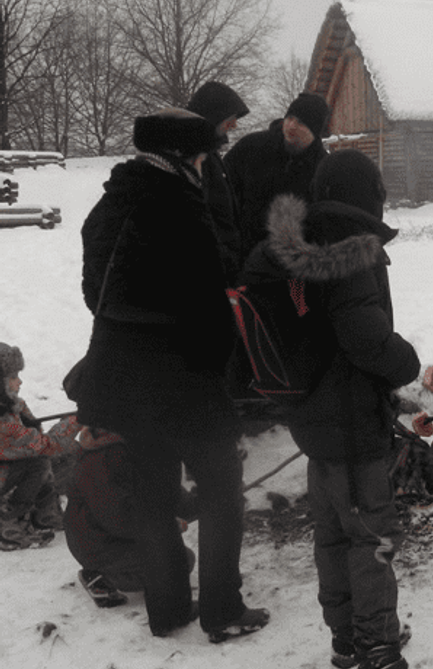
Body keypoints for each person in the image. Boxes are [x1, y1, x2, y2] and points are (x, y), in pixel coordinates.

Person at [239, 148, 433, 669]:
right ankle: (379, 661)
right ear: (368, 196)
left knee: (332, 530)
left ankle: (348, 637)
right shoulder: (352, 250)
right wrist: (405, 362)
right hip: (352, 419)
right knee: (372, 538)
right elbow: (365, 338)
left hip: (310, 414)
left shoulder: (295, 245)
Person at [70, 107, 268, 641]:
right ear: (184, 157)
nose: (207, 165)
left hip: (125, 377)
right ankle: (222, 610)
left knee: (154, 495)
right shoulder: (180, 206)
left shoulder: (110, 203)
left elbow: (96, 293)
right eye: (203, 156)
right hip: (185, 379)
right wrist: (217, 362)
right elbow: (210, 299)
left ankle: (167, 609)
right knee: (223, 491)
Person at [63, 426, 197, 608]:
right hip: (99, 543)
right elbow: (118, 518)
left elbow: (165, 491)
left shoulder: (131, 447)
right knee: (179, 562)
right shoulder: (103, 459)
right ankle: (101, 577)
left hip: (113, 534)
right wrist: (165, 525)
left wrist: (205, 501)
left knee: (177, 556)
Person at [223, 91, 329, 267]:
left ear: (315, 130)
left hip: (290, 268)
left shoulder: (323, 168)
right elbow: (221, 191)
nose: (291, 126)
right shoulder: (252, 147)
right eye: (290, 118)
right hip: (242, 257)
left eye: (301, 122)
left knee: (296, 296)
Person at [0, 342, 80, 550]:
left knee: (70, 453)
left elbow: (37, 441)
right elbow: (45, 445)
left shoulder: (12, 406)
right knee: (39, 463)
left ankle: (45, 512)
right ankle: (8, 517)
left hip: (8, 470)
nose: (20, 382)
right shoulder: (4, 424)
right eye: (13, 376)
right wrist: (79, 419)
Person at [186, 80, 250, 280]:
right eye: (230, 117)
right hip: (208, 274)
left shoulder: (210, 155)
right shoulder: (190, 159)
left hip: (224, 269)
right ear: (213, 116)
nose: (234, 124)